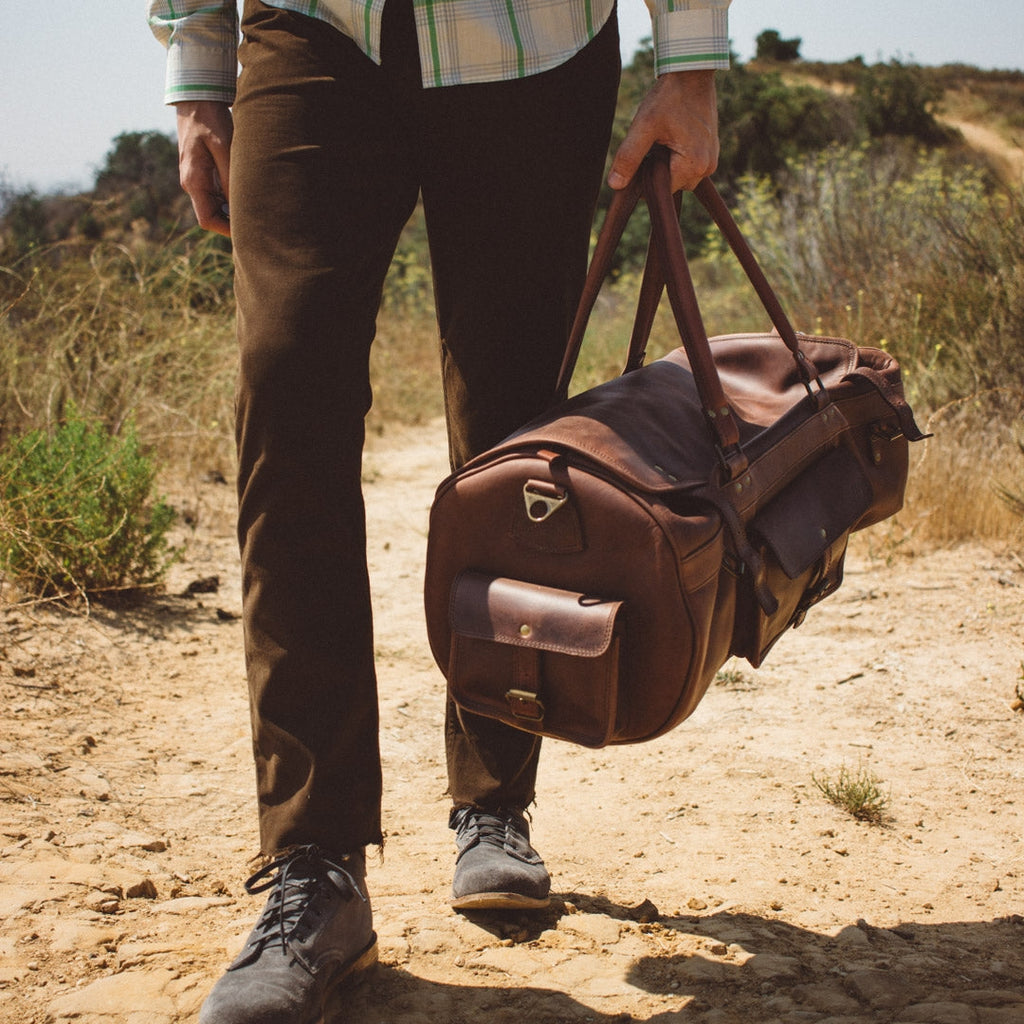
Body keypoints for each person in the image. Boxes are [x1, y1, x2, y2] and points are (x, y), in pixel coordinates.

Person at [147, 1, 730, 1021]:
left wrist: (690, 59)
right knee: (285, 391)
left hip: (533, 44)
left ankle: (495, 801)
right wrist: (198, 67)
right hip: (315, 27)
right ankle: (314, 865)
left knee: (511, 431)